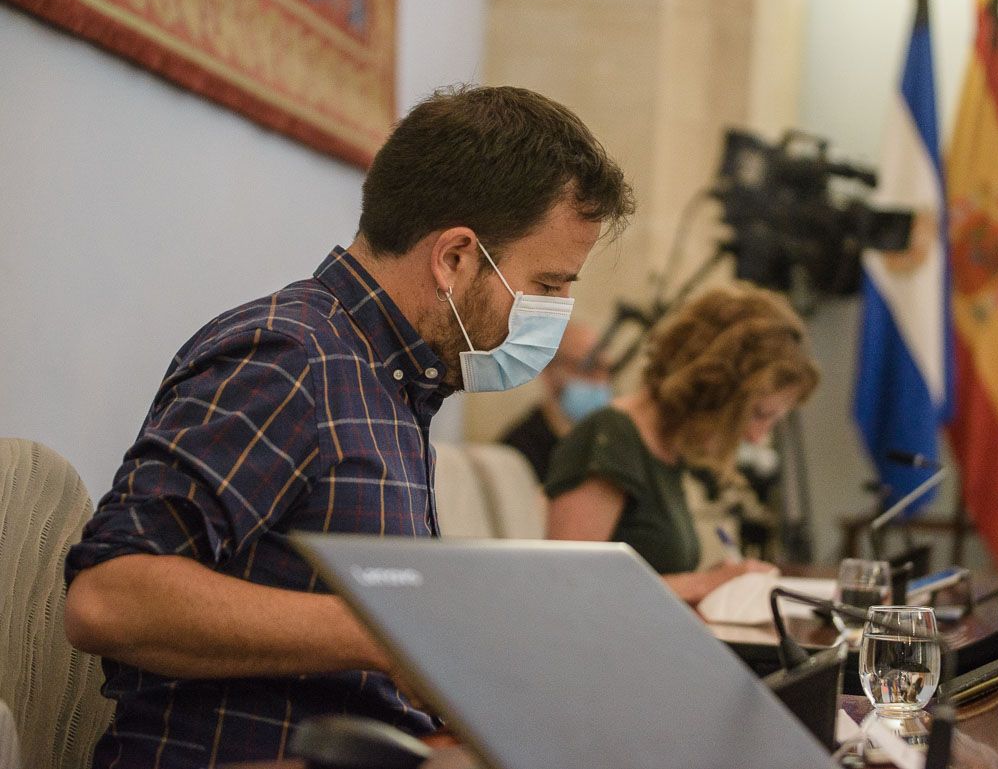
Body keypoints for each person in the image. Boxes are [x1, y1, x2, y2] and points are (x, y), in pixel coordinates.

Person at [62, 85, 634, 768]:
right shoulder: (291, 358)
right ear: (455, 258)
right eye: (547, 284)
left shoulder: (394, 381)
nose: (560, 310)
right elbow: (108, 597)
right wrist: (384, 632)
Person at [544, 284, 819, 604]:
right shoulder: (610, 439)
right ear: (716, 390)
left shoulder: (665, 450)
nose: (756, 437)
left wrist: (717, 581)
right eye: (757, 414)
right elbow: (567, 586)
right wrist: (703, 583)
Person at [500, 321, 612, 481]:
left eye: (606, 369)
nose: (600, 380)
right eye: (588, 367)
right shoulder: (517, 454)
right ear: (549, 370)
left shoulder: (607, 447)